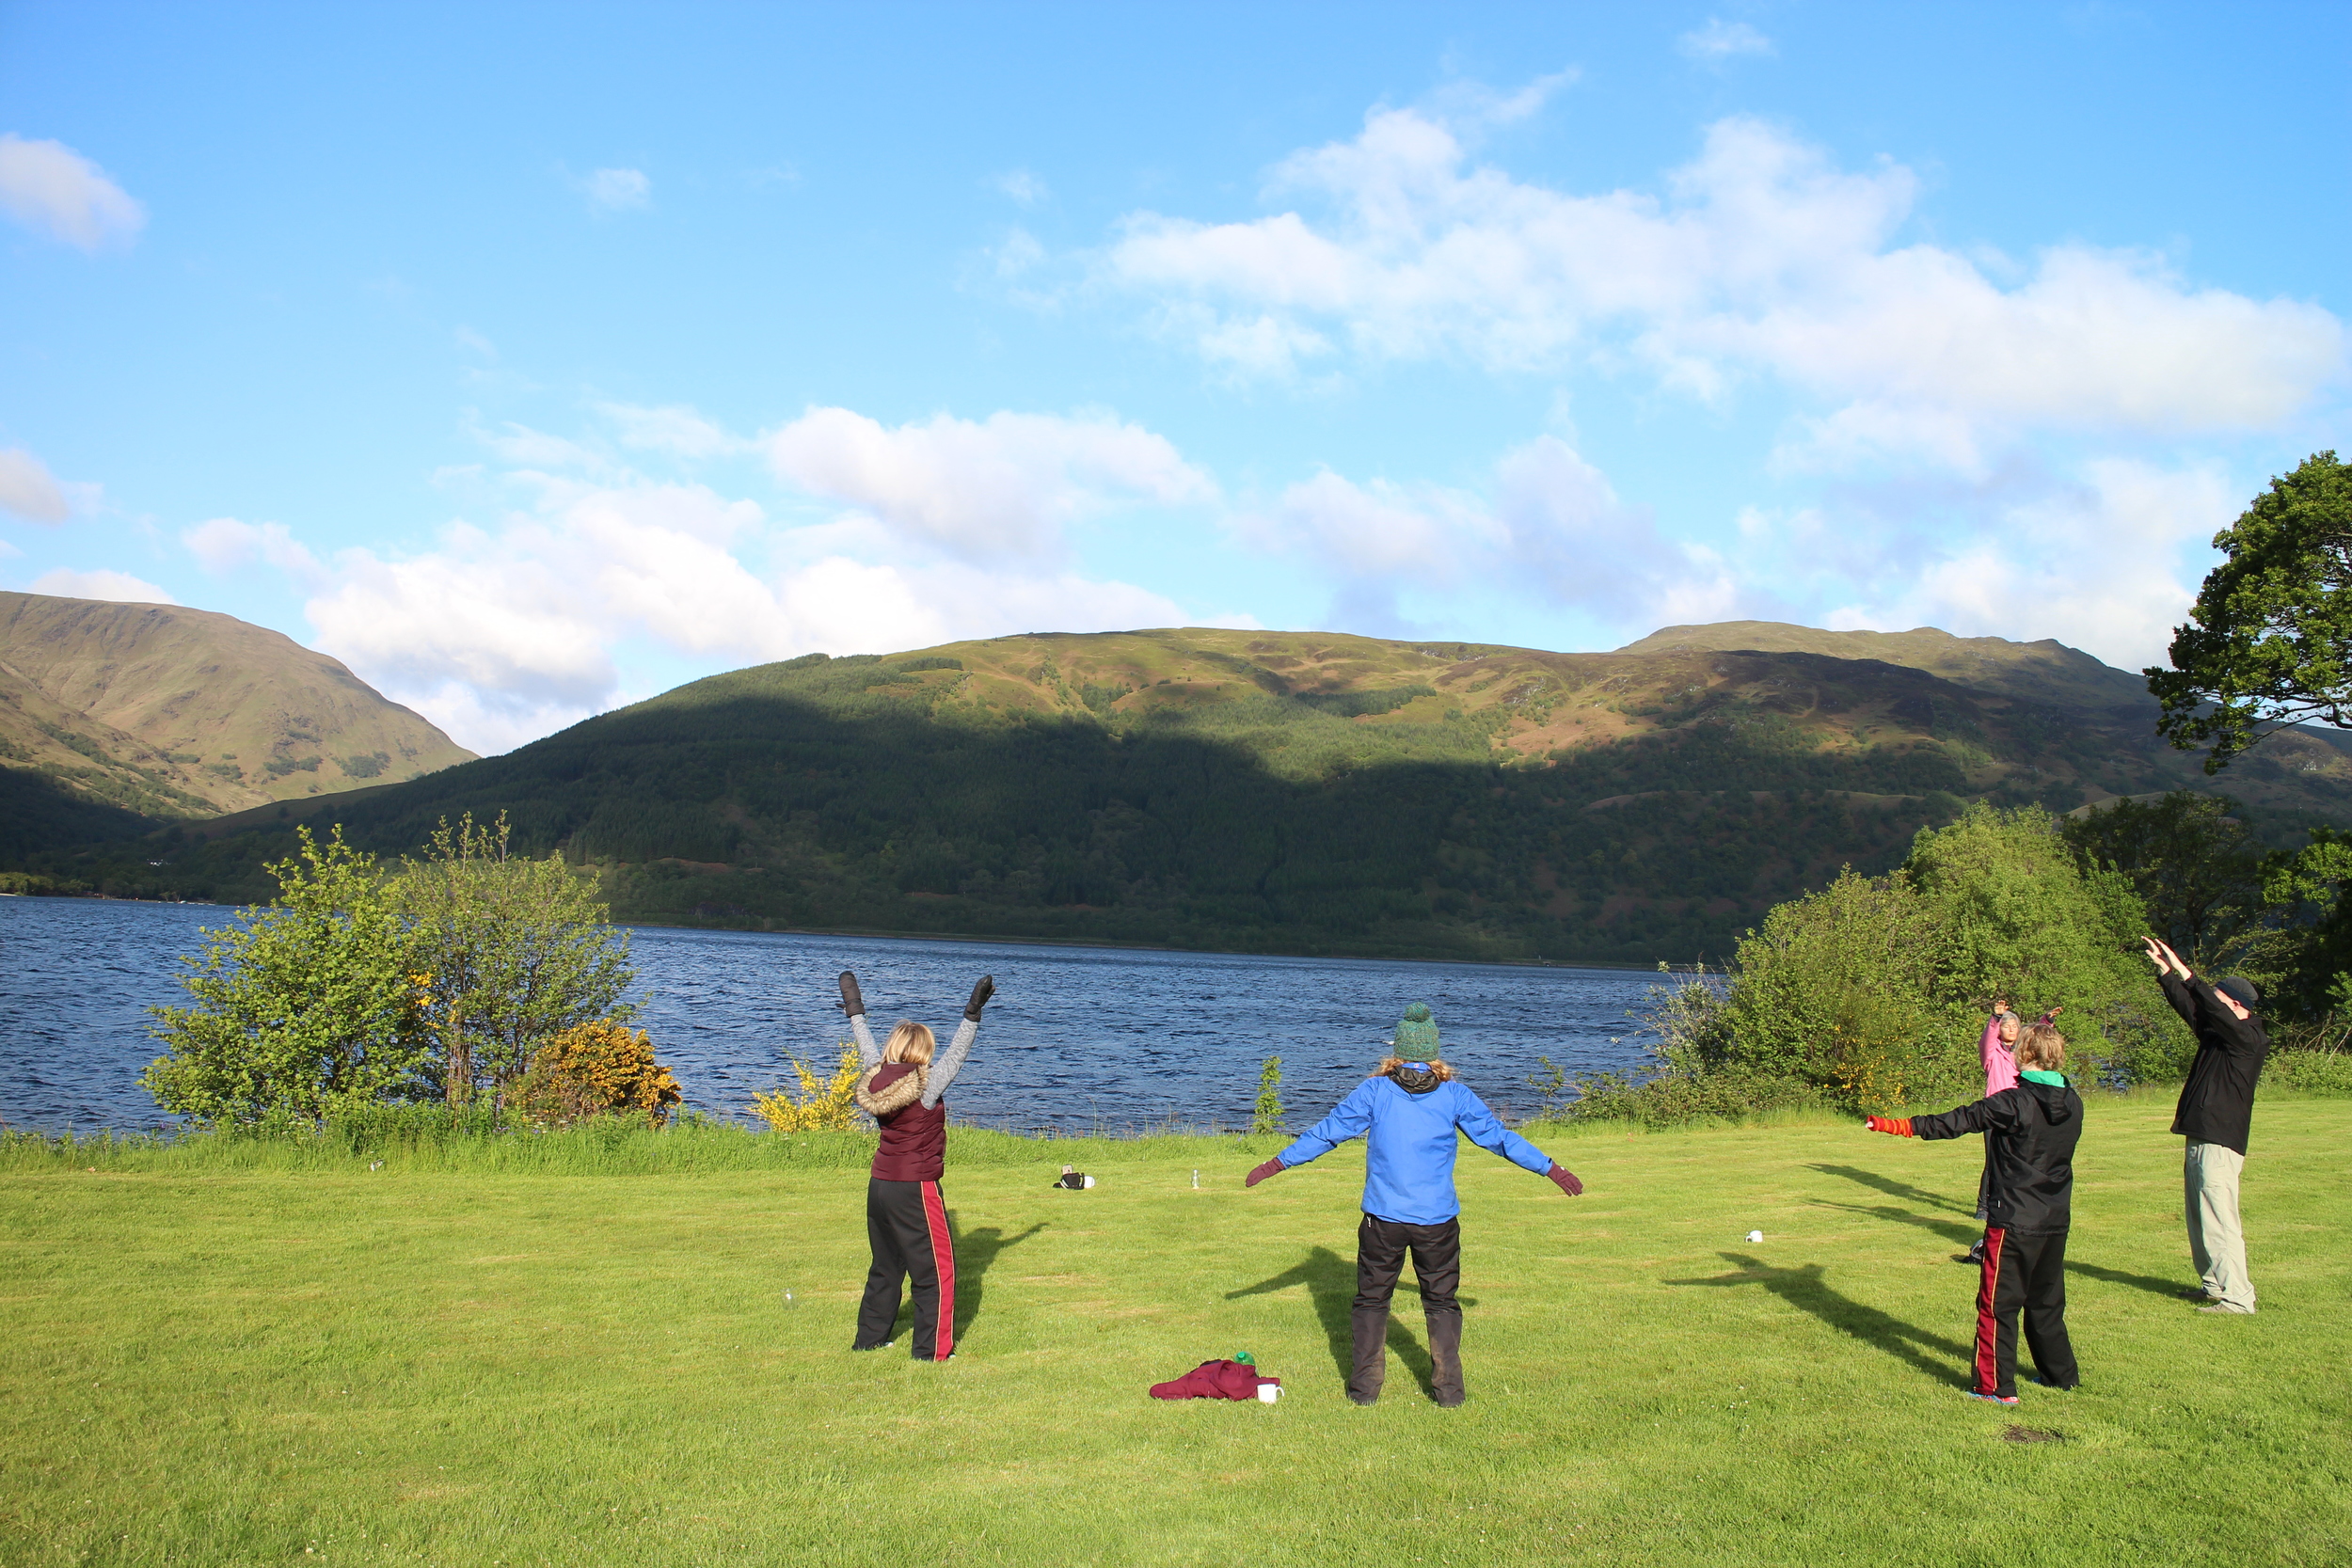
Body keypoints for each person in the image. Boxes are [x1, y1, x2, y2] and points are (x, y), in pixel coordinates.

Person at [1241, 1002, 1583, 1408]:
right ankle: (1449, 1394)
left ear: (1397, 1053)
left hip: (1381, 1222)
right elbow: (1500, 1139)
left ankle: (1364, 1392)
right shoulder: (1454, 1095)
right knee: (1441, 1302)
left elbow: (1327, 1132)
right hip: (1437, 1223)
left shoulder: (1375, 1091)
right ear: (1434, 1055)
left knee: (1372, 1301)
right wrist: (1551, 1169)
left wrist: (1277, 1162)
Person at [1867, 1019, 2082, 1405]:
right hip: (2053, 1219)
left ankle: (1994, 1388)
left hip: (2014, 1220)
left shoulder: (2013, 1102)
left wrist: (1895, 1125)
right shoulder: (2073, 1101)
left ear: (2025, 1054)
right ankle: (2060, 1375)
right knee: (2046, 1301)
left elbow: (1956, 1121)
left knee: (1997, 1306)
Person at [839, 969, 994, 1361]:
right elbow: (958, 1054)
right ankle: (932, 1351)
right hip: (915, 1188)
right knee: (936, 1273)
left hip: (880, 1186)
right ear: (923, 1053)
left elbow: (865, 1047)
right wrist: (972, 1012)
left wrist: (855, 1008)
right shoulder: (925, 1086)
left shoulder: (877, 1077)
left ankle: (869, 1340)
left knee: (886, 1266)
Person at [2141, 936, 2268, 1315]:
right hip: (2201, 1134)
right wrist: (2167, 975)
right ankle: (2214, 1284)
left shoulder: (2248, 1038)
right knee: (2199, 1216)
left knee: (2220, 1218)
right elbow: (2194, 1011)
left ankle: (2238, 1297)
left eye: (2219, 999)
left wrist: (2187, 972)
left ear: (2235, 1006)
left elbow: (2212, 1009)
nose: (2213, 1005)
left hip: (2220, 1140)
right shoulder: (2221, 1037)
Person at [1960, 1002, 2023, 1265]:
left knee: (2017, 1161)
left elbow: (2041, 1040)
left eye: (2015, 1025)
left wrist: (2047, 1021)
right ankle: (1984, 1207)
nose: (2011, 1029)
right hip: (1994, 1112)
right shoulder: (1992, 1053)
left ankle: (2012, 1203)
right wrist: (1995, 1017)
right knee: (1993, 1160)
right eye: (2006, 1026)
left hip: (2018, 1113)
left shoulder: (2022, 1055)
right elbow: (1987, 1038)